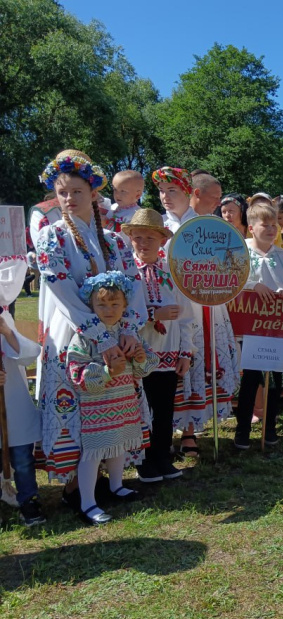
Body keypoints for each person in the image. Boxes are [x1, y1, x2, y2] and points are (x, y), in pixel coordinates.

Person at [34, 150, 146, 507]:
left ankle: (108, 480)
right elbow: (63, 293)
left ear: (94, 193)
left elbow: (134, 285)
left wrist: (128, 331)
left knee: (110, 403)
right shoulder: (51, 237)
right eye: (62, 192)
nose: (69, 199)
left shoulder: (114, 240)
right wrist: (100, 337)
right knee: (77, 405)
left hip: (116, 335)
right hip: (73, 337)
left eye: (77, 191)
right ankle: (75, 486)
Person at [154, 167, 240, 453]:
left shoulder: (208, 226)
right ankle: (161, 431)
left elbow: (231, 266)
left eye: (172, 191)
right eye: (162, 192)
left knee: (198, 361)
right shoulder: (156, 225)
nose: (165, 197)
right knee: (164, 368)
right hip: (167, 306)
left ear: (189, 192)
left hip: (203, 306)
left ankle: (190, 430)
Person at [66, 271, 158, 525]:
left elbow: (145, 366)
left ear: (125, 306)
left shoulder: (127, 332)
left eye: (115, 304)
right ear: (91, 306)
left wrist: (140, 357)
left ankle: (116, 485)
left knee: (118, 443)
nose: (108, 309)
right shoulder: (86, 336)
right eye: (101, 304)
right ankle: (87, 502)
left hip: (124, 400)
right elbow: (76, 372)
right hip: (98, 405)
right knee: (94, 451)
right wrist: (107, 372)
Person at [126, 209, 196, 482]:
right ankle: (142, 460)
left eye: (150, 239)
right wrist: (154, 314)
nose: (143, 244)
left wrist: (186, 352)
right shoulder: (127, 273)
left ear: (161, 242)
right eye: (138, 237)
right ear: (130, 238)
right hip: (139, 352)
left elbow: (187, 316)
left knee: (164, 408)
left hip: (168, 351)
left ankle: (162, 457)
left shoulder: (171, 274)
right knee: (140, 408)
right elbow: (119, 313)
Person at [234, 201, 283, 450]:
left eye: (275, 225)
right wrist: (253, 286)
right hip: (252, 329)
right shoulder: (241, 254)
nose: (272, 229)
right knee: (251, 380)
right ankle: (242, 431)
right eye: (266, 225)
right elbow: (232, 285)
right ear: (252, 227)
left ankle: (269, 428)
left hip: (279, 328)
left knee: (275, 379)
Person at [0, 309, 45, 526]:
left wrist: (8, 333)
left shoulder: (3, 317)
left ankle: (28, 500)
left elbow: (28, 354)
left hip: (14, 405)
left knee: (23, 460)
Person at [107, 170, 144, 234]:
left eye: (123, 191)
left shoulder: (137, 214)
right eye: (115, 190)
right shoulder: (113, 207)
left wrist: (105, 223)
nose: (117, 194)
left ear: (137, 195)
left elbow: (125, 235)